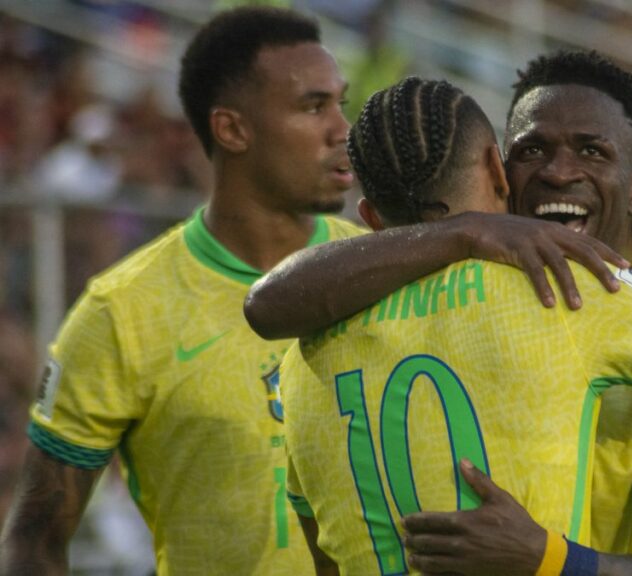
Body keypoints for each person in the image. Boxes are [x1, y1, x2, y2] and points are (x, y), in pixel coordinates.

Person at [279, 74, 632, 576]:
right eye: (531, 151)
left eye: (591, 151)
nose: (559, 172)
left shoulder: (302, 360)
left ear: (370, 218)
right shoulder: (575, 297)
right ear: (498, 169)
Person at [0, 7, 368, 574]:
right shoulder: (122, 311)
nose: (342, 129)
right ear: (232, 129)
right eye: (313, 106)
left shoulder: (380, 269)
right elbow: (34, 541)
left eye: (340, 103)